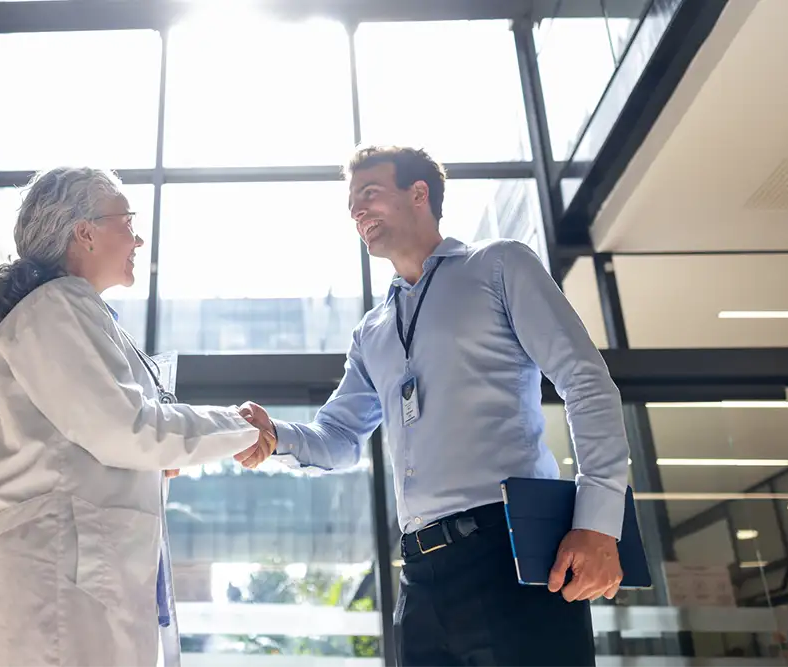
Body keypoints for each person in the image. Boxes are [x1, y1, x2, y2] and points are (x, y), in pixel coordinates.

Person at [237, 146, 630, 666]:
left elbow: (586, 382)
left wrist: (600, 521)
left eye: (369, 194)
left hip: (508, 550)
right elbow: (339, 437)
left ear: (419, 193)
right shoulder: (372, 331)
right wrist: (277, 435)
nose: (357, 211)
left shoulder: (499, 265)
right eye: (351, 204)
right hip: (420, 574)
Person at [0, 167, 272, 667]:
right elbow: (127, 428)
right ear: (85, 231)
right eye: (128, 220)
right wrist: (239, 427)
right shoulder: (55, 307)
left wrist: (153, 458)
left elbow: (110, 433)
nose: (138, 237)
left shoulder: (73, 312)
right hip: (51, 578)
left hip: (68, 576)